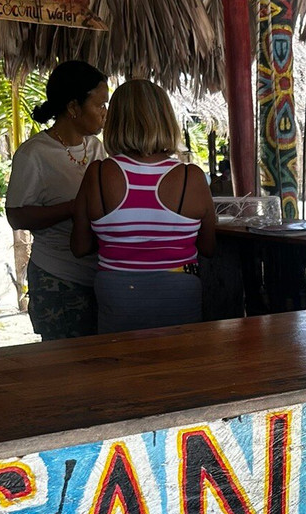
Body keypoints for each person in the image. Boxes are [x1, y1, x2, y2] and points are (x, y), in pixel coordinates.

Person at [71, 79, 216, 334]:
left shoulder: (98, 173)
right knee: (182, 365)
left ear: (115, 121)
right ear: (165, 119)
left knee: (122, 368)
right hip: (178, 290)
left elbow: (80, 247)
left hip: (118, 294)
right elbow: (208, 247)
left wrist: (119, 237)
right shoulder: (190, 177)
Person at [6, 61, 108, 339]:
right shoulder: (34, 154)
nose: (105, 113)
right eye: (99, 105)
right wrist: (74, 209)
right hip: (57, 278)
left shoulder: (97, 148)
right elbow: (16, 216)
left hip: (99, 276)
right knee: (68, 366)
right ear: (74, 108)